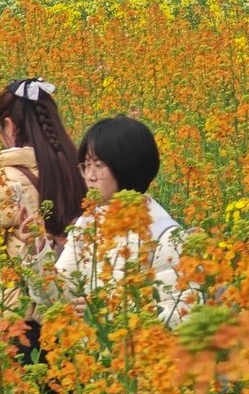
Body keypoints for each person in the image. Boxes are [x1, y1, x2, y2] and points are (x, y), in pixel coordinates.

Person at [0, 78, 87, 360]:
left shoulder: (6, 179)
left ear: (10, 125)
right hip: (62, 308)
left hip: (15, 314)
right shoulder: (78, 172)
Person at [59, 116, 191, 327]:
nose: (90, 176)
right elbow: (60, 292)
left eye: (99, 165)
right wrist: (35, 253)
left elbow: (183, 313)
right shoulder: (88, 222)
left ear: (127, 166)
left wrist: (112, 313)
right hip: (89, 353)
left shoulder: (164, 235)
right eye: (86, 165)